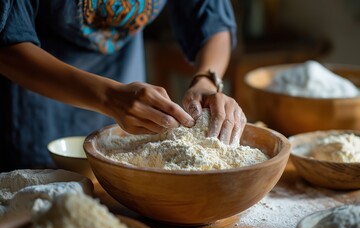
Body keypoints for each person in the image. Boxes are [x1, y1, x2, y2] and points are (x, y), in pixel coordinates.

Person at [0, 0, 246, 171]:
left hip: (127, 91)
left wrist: (206, 80)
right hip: (39, 98)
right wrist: (108, 97)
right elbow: (7, 45)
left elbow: (212, 20)